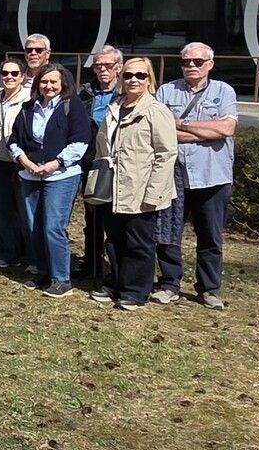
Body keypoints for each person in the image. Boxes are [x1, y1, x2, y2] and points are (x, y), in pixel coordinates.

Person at [151, 42, 238, 311]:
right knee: (168, 232)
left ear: (210, 64)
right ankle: (169, 284)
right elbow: (159, 129)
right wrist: (204, 131)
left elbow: (226, 128)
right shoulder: (166, 90)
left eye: (197, 62)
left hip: (212, 176)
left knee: (210, 235)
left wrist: (183, 125)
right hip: (173, 174)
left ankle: (209, 289)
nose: (191, 66)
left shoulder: (223, 91)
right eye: (186, 61)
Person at [89, 57, 177, 311]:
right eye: (128, 75)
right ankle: (116, 282)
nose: (133, 80)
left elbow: (166, 153)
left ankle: (137, 290)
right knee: (114, 238)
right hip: (112, 187)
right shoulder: (116, 106)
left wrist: (154, 191)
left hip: (141, 187)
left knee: (138, 241)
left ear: (149, 79)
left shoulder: (155, 110)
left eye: (140, 75)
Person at [9, 62, 91, 297]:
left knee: (54, 227)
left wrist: (55, 164)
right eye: (44, 81)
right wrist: (26, 162)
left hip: (61, 176)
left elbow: (81, 141)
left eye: (53, 81)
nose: (48, 86)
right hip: (30, 175)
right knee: (34, 227)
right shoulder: (28, 107)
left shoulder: (72, 106)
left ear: (63, 83)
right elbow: (14, 140)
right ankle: (43, 271)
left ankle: (61, 279)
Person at [78, 46, 122, 278]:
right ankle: (92, 265)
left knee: (116, 219)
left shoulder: (127, 92)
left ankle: (116, 269)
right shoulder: (85, 93)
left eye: (108, 65)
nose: (103, 70)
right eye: (98, 66)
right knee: (92, 215)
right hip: (90, 161)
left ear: (118, 67)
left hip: (119, 162)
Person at [0, 56, 32, 269]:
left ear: (22, 77)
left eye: (14, 73)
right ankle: (10, 252)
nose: (9, 77)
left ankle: (31, 255)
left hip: (21, 161)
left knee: (24, 210)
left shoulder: (28, 99)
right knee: (4, 209)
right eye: (5, 73)